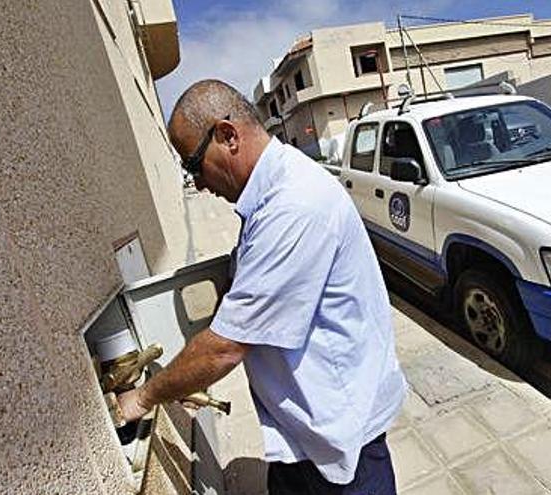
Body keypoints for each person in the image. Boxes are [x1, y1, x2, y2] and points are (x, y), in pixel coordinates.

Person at [117, 80, 406, 494]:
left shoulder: (294, 207)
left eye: (193, 165)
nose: (197, 183)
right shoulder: (269, 195)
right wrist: (188, 374)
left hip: (341, 437)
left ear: (227, 136)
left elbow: (226, 347)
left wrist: (142, 398)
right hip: (300, 434)